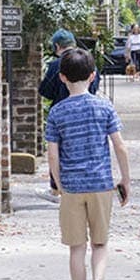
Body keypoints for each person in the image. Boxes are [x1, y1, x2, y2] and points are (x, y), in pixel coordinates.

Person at [45, 46, 131, 280]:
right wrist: (125, 180)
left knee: (76, 248)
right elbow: (119, 145)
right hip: (100, 185)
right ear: (93, 76)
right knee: (100, 243)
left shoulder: (57, 112)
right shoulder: (104, 106)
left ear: (62, 78)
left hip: (72, 187)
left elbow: (52, 153)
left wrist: (58, 184)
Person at [39, 29, 98, 202]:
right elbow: (94, 87)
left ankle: (57, 188)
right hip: (87, 110)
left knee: (57, 149)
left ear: (57, 46)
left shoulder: (56, 65)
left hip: (60, 112)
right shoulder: (88, 61)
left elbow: (45, 90)